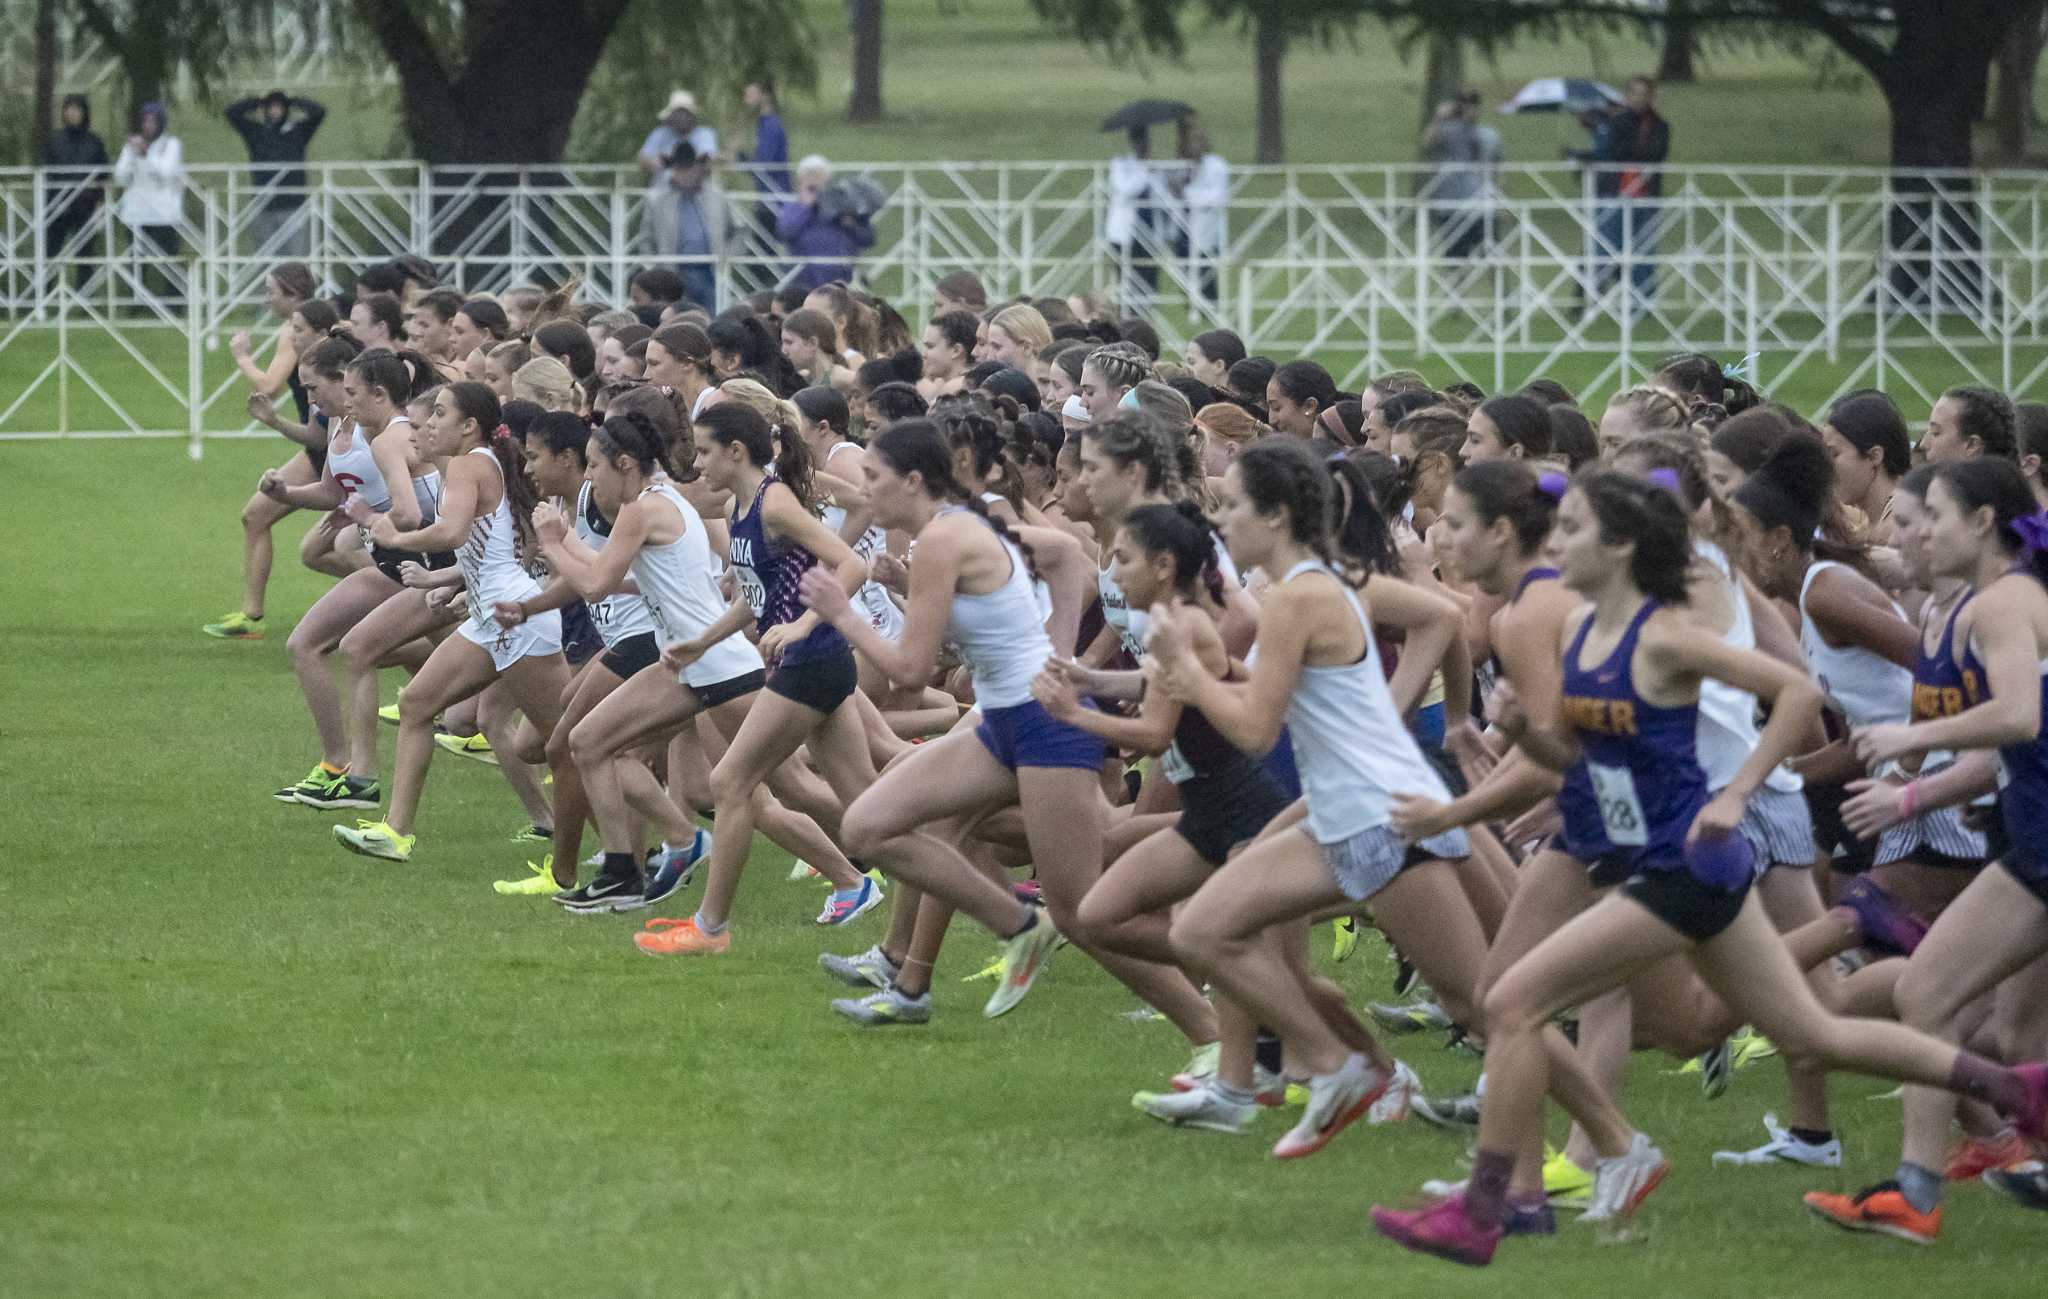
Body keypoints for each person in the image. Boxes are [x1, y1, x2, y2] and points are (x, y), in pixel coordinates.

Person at [1371, 470, 2048, 1268]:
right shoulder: (1584, 631)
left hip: (1684, 862)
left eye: (1574, 528)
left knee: (1512, 999)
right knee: (1809, 1028)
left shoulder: (1662, 634)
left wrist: (1738, 791)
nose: (1555, 541)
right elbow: (1586, 760)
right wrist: (1529, 736)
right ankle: (2016, 1090)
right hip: (1659, 861)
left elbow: (1795, 691)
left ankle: (1491, 1209)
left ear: (1620, 546)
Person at [205, 262, 324, 639]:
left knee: (340, 547)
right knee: (255, 516)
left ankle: (398, 602)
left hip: (325, 444)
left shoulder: (293, 331)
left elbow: (268, 387)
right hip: (316, 443)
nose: (266, 298)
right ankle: (251, 615)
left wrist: (241, 356)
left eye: (271, 291)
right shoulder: (312, 322)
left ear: (292, 294)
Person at [1576, 77, 1670, 312]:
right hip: (1614, 193)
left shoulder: (1659, 125)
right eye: (1635, 93)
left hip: (1645, 196)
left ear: (1652, 96)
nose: (1640, 98)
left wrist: (1635, 154)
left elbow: (1657, 154)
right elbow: (1615, 152)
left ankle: (1641, 304)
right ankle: (1589, 299)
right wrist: (1638, 153)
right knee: (1604, 248)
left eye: (1644, 93)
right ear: (1627, 96)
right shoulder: (1617, 123)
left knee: (1643, 251)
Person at [225, 90, 326, 255]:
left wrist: (294, 100)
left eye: (279, 107)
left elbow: (319, 112)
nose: (274, 111)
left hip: (293, 204)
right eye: (271, 107)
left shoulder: (298, 132)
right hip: (264, 204)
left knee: (295, 257)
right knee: (267, 258)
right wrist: (257, 101)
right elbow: (232, 113)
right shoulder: (256, 133)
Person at [113, 101, 185, 304]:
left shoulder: (171, 145)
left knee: (169, 259)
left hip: (164, 213)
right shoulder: (132, 145)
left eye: (153, 121)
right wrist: (132, 155)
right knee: (137, 261)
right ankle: (138, 302)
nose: (148, 126)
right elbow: (120, 176)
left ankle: (174, 302)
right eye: (145, 121)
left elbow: (166, 173)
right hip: (136, 213)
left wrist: (146, 156)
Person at [640, 142, 726, 311]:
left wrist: (728, 257)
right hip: (673, 273)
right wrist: (653, 268)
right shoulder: (658, 199)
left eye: (689, 168)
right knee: (674, 321)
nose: (686, 174)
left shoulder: (715, 196)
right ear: (673, 170)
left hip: (709, 273)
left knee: (711, 318)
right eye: (681, 169)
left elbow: (739, 231)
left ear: (698, 169)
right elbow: (646, 238)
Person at [1421, 90, 1504, 259]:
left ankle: (1498, 285)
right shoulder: (1446, 132)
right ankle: (1457, 284)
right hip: (1452, 204)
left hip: (1483, 205)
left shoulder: (1490, 136)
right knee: (1456, 256)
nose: (1468, 109)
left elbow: (1500, 169)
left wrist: (1500, 200)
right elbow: (1427, 143)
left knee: (1492, 253)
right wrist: (1438, 118)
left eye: (1473, 105)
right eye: (1463, 105)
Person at [776, 156, 875, 294]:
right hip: (803, 281)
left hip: (841, 282)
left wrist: (850, 222)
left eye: (818, 176)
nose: (815, 182)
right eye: (809, 176)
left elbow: (868, 238)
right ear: (801, 181)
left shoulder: (844, 205)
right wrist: (805, 206)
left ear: (828, 180)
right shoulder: (793, 208)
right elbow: (785, 232)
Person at [45, 94, 109, 273]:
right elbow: (46, 172)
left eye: (77, 109)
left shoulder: (94, 142)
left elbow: (103, 173)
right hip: (58, 204)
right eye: (69, 109)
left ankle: (84, 297)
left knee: (86, 254)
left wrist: (100, 201)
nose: (72, 113)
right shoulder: (54, 140)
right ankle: (45, 293)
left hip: (85, 205)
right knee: (51, 251)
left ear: (84, 112)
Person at [1169, 123, 1229, 309]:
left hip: (1206, 225)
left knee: (1205, 266)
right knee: (1182, 264)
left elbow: (1218, 197)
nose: (1194, 147)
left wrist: (1188, 195)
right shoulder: (1184, 166)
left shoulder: (1216, 165)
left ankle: (1209, 305)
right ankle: (1191, 302)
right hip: (1183, 225)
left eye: (1197, 142)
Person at [1107, 127, 1163, 313]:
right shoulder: (1121, 164)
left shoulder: (1154, 167)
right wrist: (1143, 169)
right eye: (1140, 142)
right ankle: (1126, 317)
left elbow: (1162, 196)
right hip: (1124, 233)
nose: (1144, 147)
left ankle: (1144, 315)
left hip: (1149, 232)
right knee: (1126, 279)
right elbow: (1126, 190)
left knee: (1149, 278)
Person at [638, 89, 718, 176]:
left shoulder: (705, 133)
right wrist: (658, 162)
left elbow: (709, 159)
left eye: (683, 113)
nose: (680, 117)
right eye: (677, 113)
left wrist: (683, 162)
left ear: (691, 115)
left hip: (699, 185)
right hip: (663, 184)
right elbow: (643, 158)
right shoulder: (659, 134)